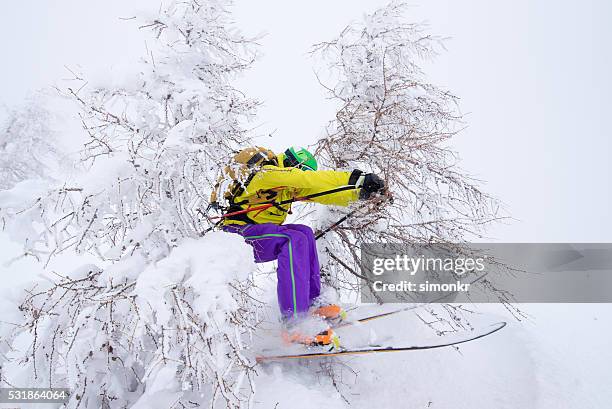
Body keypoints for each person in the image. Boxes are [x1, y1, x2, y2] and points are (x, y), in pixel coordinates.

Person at [221, 146, 385, 345]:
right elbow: (306, 180)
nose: (303, 176)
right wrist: (357, 179)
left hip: (256, 236)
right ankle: (293, 321)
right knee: (292, 239)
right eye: (302, 171)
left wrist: (361, 194)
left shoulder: (283, 187)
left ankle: (313, 303)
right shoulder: (267, 174)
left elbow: (323, 192)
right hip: (235, 235)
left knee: (304, 233)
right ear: (293, 165)